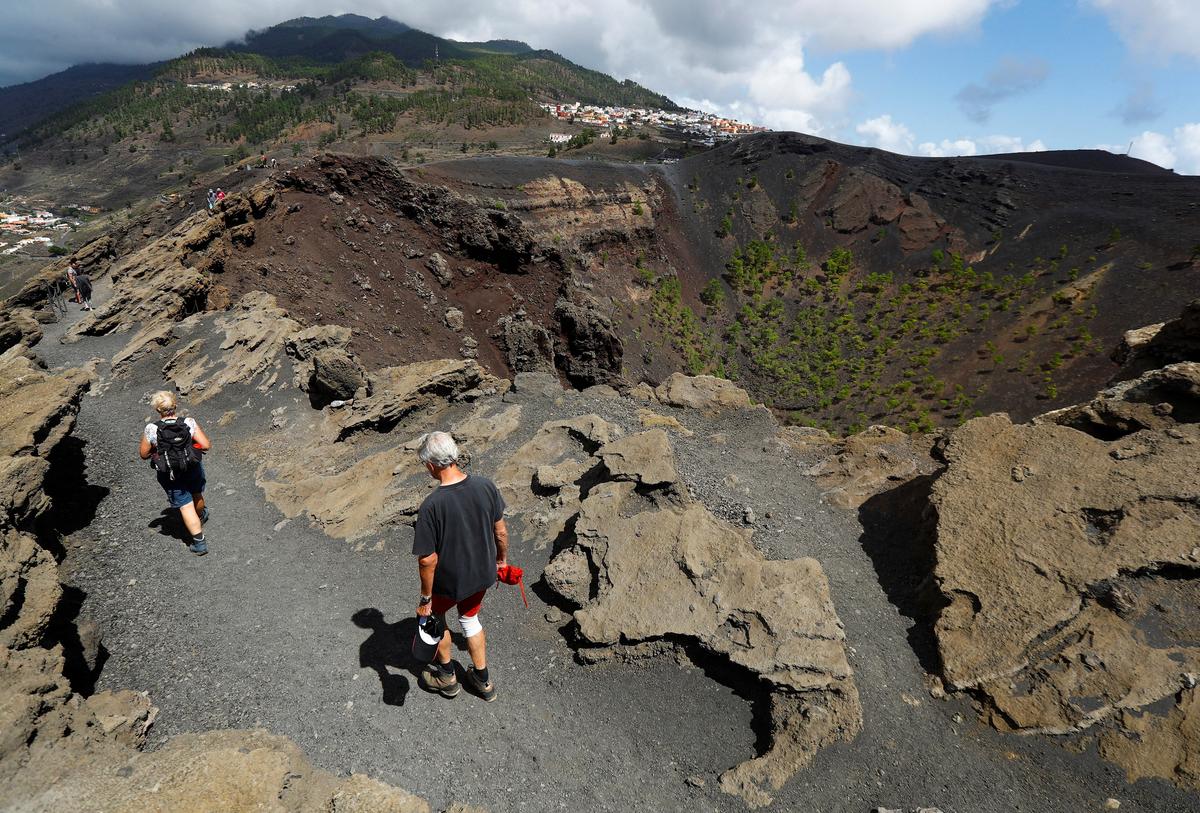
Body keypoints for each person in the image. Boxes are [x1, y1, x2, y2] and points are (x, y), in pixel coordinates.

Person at [412, 431, 509, 701]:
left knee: (436, 618)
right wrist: (501, 561)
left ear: (431, 465)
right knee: (469, 619)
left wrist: (426, 598)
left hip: (450, 582)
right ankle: (483, 681)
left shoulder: (432, 506)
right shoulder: (486, 486)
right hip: (482, 573)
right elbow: (500, 531)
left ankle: (446, 677)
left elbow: (428, 559)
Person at [138, 390, 212, 555]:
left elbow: (143, 454)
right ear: (175, 405)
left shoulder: (152, 428)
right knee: (196, 493)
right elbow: (206, 445)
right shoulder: (188, 422)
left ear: (158, 410)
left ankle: (199, 543)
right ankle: (201, 515)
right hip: (192, 466)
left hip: (170, 473)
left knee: (185, 507)